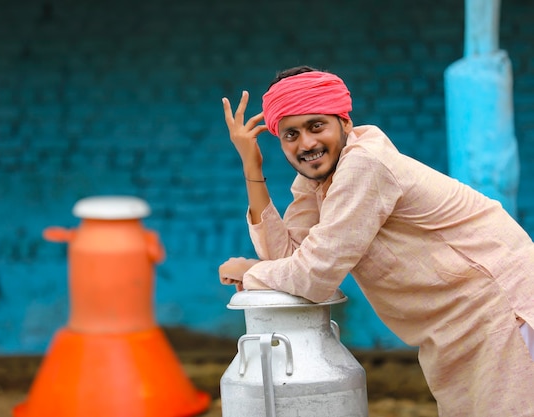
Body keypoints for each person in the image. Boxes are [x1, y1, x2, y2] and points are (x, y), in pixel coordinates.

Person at [219, 65, 534, 416]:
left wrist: (251, 274)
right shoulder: (316, 181)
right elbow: (288, 256)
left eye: (316, 126)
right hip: (456, 330)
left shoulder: (364, 165)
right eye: (290, 135)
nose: (306, 144)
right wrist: (252, 167)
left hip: (501, 310)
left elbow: (313, 278)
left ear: (346, 123)